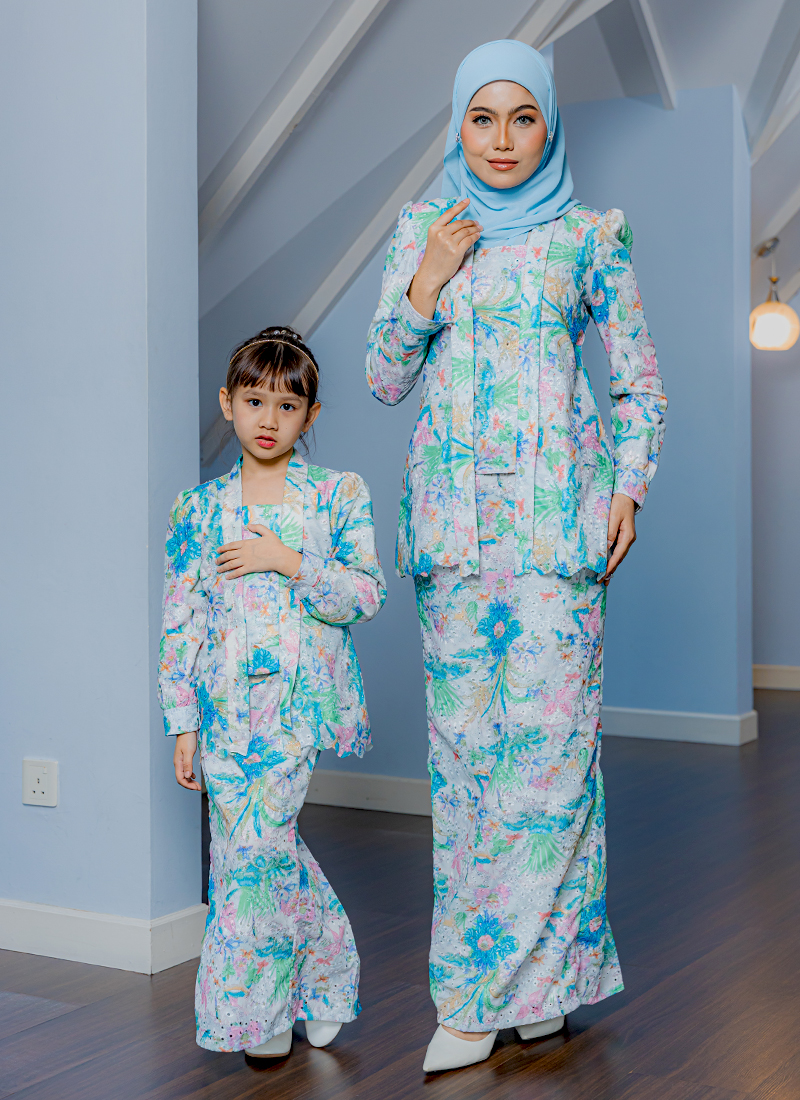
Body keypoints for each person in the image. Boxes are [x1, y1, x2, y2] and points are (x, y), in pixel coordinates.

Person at [366, 40, 666, 1073]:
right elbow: (382, 379)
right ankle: (478, 992)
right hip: (452, 540)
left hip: (556, 536)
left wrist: (627, 488)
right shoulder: (424, 230)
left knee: (552, 765)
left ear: (548, 125)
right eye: (481, 118)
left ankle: (539, 987)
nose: (501, 139)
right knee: (467, 771)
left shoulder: (589, 238)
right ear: (457, 126)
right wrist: (427, 279)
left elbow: (637, 382)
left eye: (522, 117)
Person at [159, 326, 386, 1058]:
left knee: (255, 852)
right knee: (249, 853)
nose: (269, 419)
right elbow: (182, 619)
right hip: (223, 710)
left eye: (287, 406)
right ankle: (327, 976)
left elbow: (365, 596)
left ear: (310, 415)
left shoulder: (338, 495)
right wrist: (182, 722)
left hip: (298, 708)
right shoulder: (196, 509)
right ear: (227, 403)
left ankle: (253, 1021)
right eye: (254, 401)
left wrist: (288, 560)